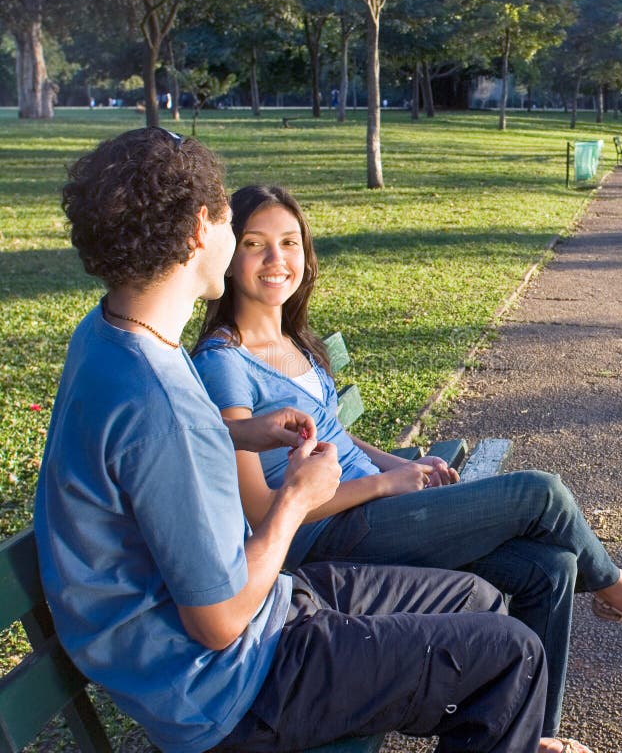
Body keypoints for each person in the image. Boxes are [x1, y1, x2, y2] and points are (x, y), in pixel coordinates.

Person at [34, 127, 573, 753]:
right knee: (510, 654)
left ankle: (511, 733)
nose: (232, 237)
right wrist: (295, 497)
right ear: (195, 233)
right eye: (226, 222)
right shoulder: (161, 404)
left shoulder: (113, 333)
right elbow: (216, 622)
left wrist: (236, 429)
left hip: (249, 619)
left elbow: (137, 450)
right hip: (223, 685)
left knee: (477, 599)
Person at [192, 185, 622, 745]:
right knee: (541, 492)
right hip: (325, 542)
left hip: (374, 512)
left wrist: (401, 466)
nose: (276, 260)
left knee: (551, 568)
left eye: (289, 243)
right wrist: (388, 483)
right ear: (227, 252)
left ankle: (533, 734)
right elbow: (262, 509)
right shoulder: (225, 363)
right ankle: (615, 588)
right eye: (255, 243)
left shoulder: (293, 340)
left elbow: (339, 437)